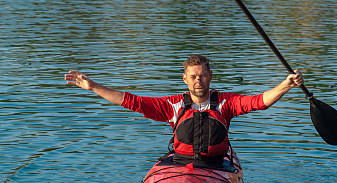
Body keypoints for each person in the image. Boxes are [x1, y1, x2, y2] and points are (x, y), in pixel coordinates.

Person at [64, 54, 303, 166]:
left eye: (202, 76)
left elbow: (258, 101)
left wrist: (285, 85)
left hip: (216, 164)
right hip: (180, 162)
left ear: (210, 77)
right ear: (185, 79)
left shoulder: (225, 103)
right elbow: (130, 101)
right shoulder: (172, 105)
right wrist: (92, 86)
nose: (198, 81)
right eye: (193, 77)